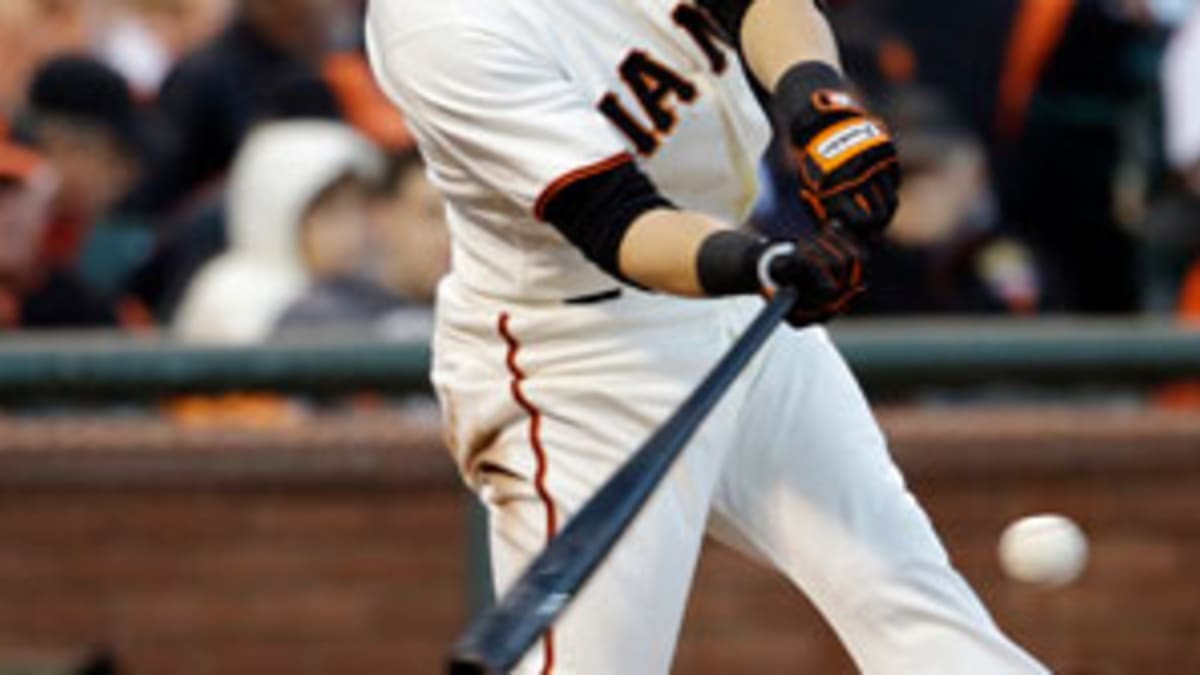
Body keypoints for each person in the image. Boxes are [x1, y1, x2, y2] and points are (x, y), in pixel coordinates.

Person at [367, 1, 1046, 673]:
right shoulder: (442, 25)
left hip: (727, 298)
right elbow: (617, 222)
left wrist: (823, 110)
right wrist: (760, 265)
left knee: (908, 594)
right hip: (581, 358)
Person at [172, 120, 384, 344]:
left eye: (361, 209)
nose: (355, 230)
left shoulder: (373, 287)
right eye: (332, 214)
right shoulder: (232, 292)